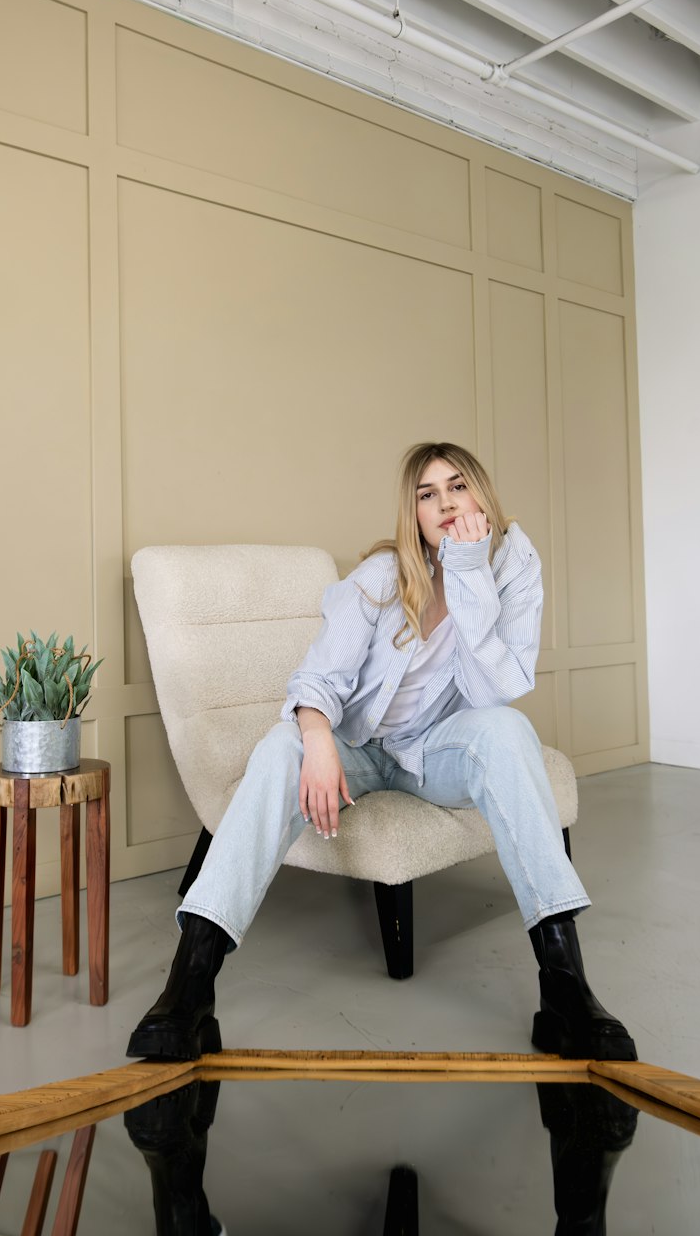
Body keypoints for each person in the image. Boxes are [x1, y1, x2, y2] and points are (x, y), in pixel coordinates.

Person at [127, 442, 636, 1064]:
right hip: (359, 748)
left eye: (458, 486)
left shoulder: (515, 569)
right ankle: (189, 991)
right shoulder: (380, 577)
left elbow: (494, 692)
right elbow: (317, 681)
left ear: (484, 496)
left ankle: (565, 992)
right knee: (283, 744)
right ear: (413, 514)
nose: (446, 504)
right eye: (428, 495)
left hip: (434, 752)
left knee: (508, 732)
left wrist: (472, 572)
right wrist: (315, 740)